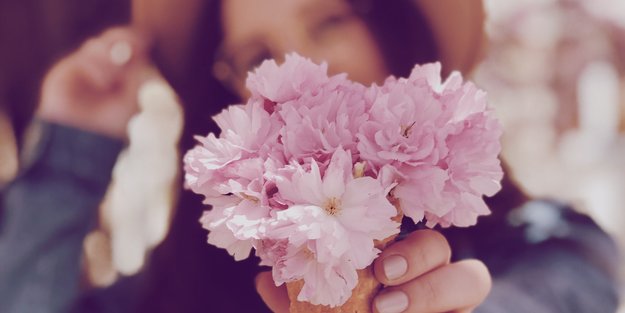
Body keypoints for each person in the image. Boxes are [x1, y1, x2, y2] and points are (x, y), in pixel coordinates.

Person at [0, 0, 620, 312]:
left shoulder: (559, 250)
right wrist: (70, 154)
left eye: (327, 21)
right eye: (254, 58)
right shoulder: (177, 293)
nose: (299, 74)